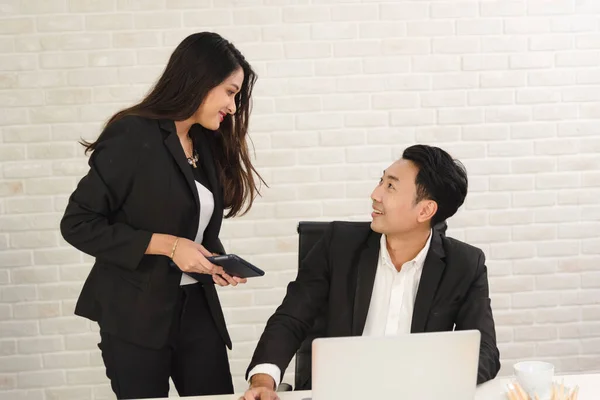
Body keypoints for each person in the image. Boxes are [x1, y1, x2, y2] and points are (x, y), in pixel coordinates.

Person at [60, 32, 265, 399]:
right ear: (201, 81)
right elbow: (78, 223)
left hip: (197, 311)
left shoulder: (204, 142)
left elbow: (189, 223)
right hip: (135, 318)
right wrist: (169, 247)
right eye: (230, 92)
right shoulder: (132, 134)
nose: (234, 107)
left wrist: (212, 260)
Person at [242, 145, 500, 400]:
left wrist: (433, 385)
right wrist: (264, 381)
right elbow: (291, 318)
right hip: (339, 392)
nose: (375, 194)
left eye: (391, 186)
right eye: (381, 181)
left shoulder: (465, 264)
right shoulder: (338, 245)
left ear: (425, 210)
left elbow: (485, 352)